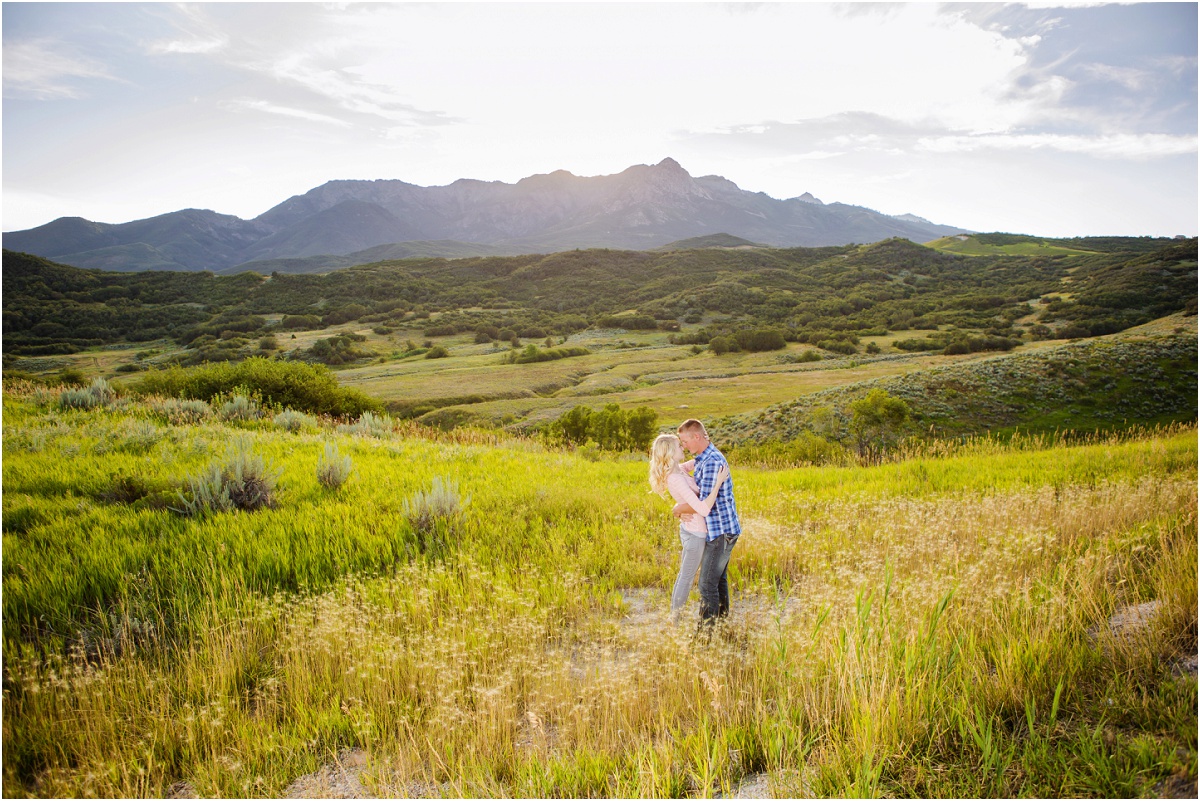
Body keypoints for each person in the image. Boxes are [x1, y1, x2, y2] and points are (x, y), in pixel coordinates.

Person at [648, 433, 730, 618]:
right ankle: (674, 617)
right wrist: (717, 483)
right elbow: (702, 508)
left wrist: (703, 438)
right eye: (679, 446)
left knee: (687, 575)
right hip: (695, 534)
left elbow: (701, 456)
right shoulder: (675, 477)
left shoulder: (679, 469)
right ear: (670, 452)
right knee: (686, 577)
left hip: (693, 529)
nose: (683, 448)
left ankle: (677, 615)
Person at [676, 418, 741, 623]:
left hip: (721, 531)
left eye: (685, 441)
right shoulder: (703, 457)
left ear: (697, 436)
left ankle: (706, 634)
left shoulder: (712, 461)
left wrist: (676, 509)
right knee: (718, 579)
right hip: (718, 529)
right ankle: (721, 623)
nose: (683, 446)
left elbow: (704, 504)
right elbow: (679, 470)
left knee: (706, 584)